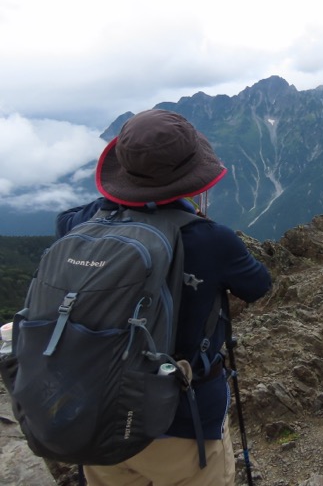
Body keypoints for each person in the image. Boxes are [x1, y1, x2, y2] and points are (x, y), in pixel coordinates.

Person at [56, 109, 272, 486]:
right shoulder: (211, 239)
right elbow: (258, 285)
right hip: (183, 424)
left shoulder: (80, 225)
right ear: (190, 177)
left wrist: (120, 199)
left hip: (96, 416)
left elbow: (73, 217)